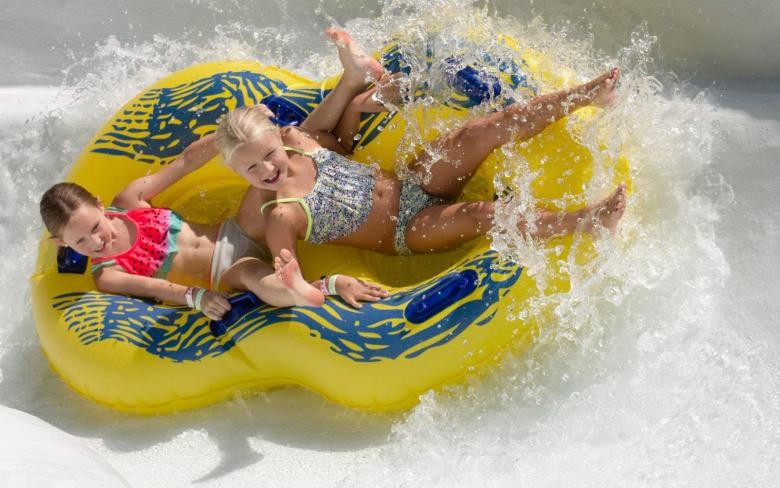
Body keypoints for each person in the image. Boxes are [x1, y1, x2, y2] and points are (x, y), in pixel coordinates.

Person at [216, 27, 627, 300]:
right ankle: (587, 221)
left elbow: (340, 145)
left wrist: (359, 105)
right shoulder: (279, 217)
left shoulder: (295, 140)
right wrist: (333, 285)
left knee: (479, 131)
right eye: (252, 169)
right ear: (236, 175)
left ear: (276, 133)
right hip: (407, 230)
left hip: (412, 182)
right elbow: (292, 286)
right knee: (485, 213)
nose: (267, 170)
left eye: (267, 155)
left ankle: (586, 95)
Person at [40, 133, 389, 321]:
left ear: (101, 206)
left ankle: (364, 180)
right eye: (81, 242)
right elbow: (157, 286)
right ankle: (318, 287)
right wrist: (198, 297)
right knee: (255, 275)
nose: (97, 241)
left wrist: (231, 135)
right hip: (223, 273)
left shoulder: (130, 201)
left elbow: (186, 162)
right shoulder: (108, 274)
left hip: (236, 230)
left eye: (95, 226)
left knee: (273, 168)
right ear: (61, 243)